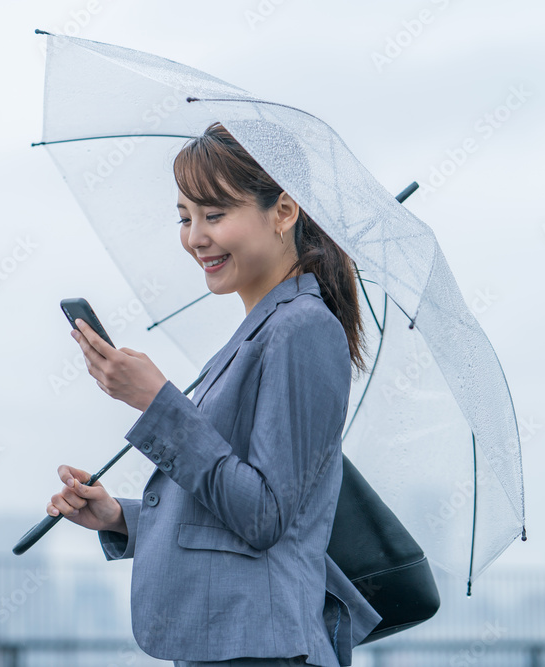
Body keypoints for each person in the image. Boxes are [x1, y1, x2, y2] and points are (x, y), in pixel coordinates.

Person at [46, 122, 381, 667]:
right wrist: (119, 517)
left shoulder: (302, 328)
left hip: (262, 649)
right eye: (185, 217)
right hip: (234, 646)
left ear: (284, 211)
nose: (195, 236)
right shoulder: (267, 327)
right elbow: (229, 506)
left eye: (215, 214)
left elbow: (265, 516)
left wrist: (156, 404)